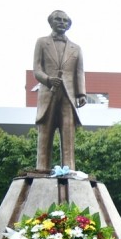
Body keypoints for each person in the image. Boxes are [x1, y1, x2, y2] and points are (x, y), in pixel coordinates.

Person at [33, 10, 86, 171]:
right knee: (45, 132)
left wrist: (81, 93)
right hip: (48, 92)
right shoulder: (42, 42)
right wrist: (48, 79)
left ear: (68, 25)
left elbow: (79, 72)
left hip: (68, 96)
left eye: (65, 20)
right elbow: (37, 69)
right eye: (58, 19)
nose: (62, 22)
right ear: (51, 22)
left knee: (68, 133)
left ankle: (68, 169)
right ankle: (42, 169)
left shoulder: (76, 48)